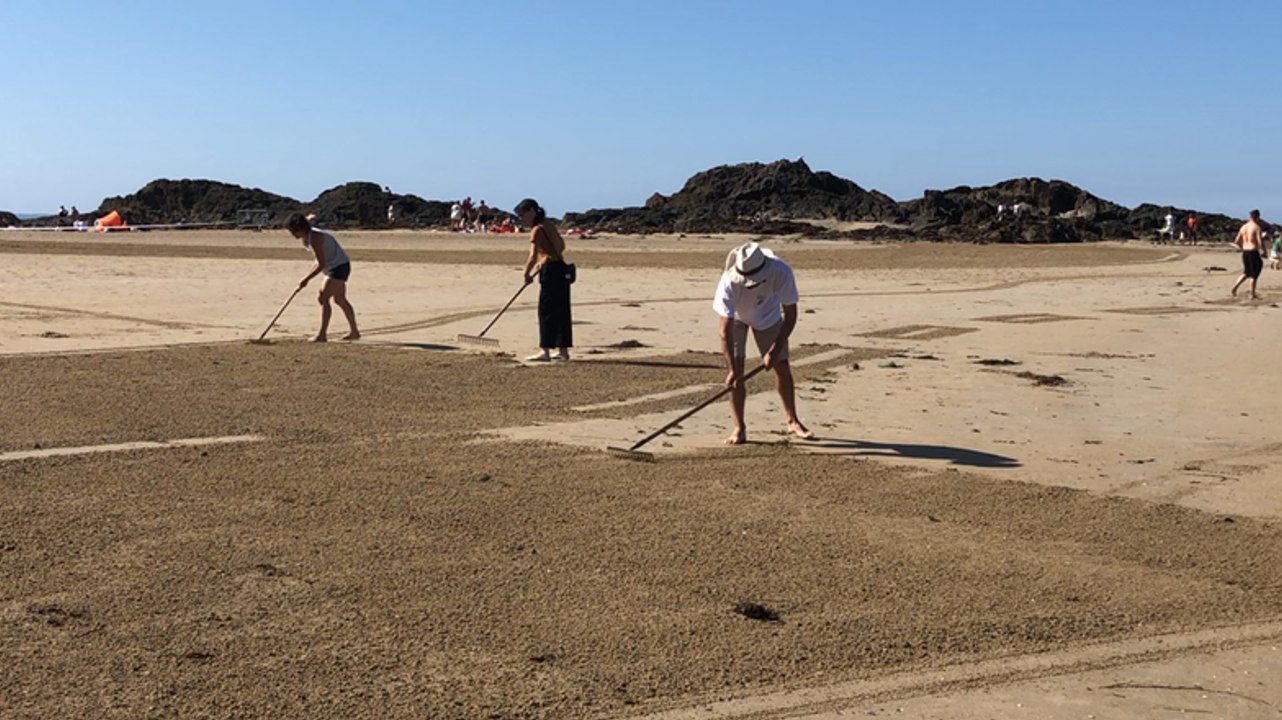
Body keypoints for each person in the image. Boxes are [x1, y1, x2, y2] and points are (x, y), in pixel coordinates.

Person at [713, 241, 813, 445]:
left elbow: (791, 315)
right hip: (737, 318)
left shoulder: (782, 272)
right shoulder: (728, 283)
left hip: (768, 317)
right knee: (737, 373)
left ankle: (793, 421)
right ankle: (739, 428)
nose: (749, 284)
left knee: (781, 366)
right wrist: (731, 369)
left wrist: (774, 350)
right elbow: (724, 331)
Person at [284, 212, 360, 342]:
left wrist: (306, 279)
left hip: (338, 267)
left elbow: (321, 264)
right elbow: (318, 261)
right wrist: (306, 278)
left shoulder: (315, 237)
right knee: (339, 299)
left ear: (301, 228)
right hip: (336, 265)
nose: (293, 234)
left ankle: (322, 334)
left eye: (294, 231)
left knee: (323, 298)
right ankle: (354, 332)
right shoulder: (307, 234)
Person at [516, 198, 571, 361]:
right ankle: (563, 351)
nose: (522, 219)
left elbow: (532, 255)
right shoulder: (549, 224)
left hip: (550, 271)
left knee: (546, 311)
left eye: (523, 215)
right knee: (561, 310)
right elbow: (561, 246)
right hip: (560, 267)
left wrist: (526, 274)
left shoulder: (537, 229)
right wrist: (547, 257)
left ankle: (545, 351)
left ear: (532, 211)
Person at [1230, 209, 1267, 299]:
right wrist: (1264, 251)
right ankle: (1252, 294)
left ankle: (1235, 287)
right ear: (1257, 216)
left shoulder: (1243, 227)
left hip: (1245, 252)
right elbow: (1260, 241)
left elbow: (1236, 241)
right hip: (1253, 251)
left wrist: (1242, 247)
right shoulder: (1256, 227)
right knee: (1254, 273)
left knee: (1247, 272)